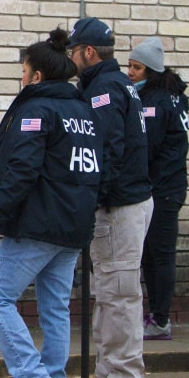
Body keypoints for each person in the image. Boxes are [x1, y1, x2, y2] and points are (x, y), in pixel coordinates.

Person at [0, 29, 102, 378]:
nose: (21, 77)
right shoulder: (84, 111)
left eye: (23, 71)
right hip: (73, 225)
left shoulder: (36, 109)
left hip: (37, 225)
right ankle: (53, 373)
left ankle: (32, 374)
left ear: (37, 76)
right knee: (55, 308)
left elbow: (22, 169)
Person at [67, 17, 153, 378]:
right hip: (127, 203)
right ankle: (111, 370)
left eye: (73, 52)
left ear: (88, 52)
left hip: (118, 208)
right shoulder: (118, 83)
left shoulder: (103, 89)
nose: (70, 59)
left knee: (118, 297)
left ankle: (119, 372)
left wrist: (93, 202)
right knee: (111, 293)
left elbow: (106, 152)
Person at [127, 37, 188, 341]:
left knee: (159, 255)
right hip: (168, 186)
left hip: (162, 188)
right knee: (152, 254)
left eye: (136, 67)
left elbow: (146, 147)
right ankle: (156, 316)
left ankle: (161, 320)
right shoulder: (173, 96)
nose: (131, 72)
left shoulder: (156, 103)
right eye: (129, 66)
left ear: (151, 70)